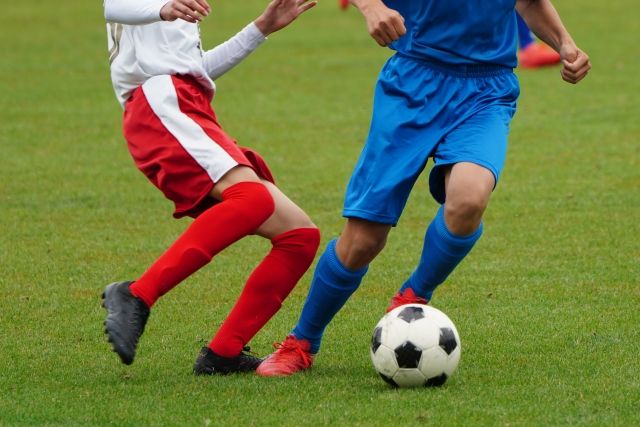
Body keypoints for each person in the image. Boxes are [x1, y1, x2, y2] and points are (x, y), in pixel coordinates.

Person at [257, 0, 591, 377]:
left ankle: (413, 296)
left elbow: (528, 3)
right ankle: (301, 341)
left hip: (486, 89)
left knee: (469, 198)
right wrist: (369, 7)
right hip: (412, 83)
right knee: (364, 240)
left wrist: (564, 42)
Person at [101, 0, 320, 376]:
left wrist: (260, 29)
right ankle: (136, 294)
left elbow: (194, 70)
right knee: (252, 198)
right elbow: (113, 5)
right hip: (162, 103)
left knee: (299, 235)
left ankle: (223, 353)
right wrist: (164, 8)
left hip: (186, 102)